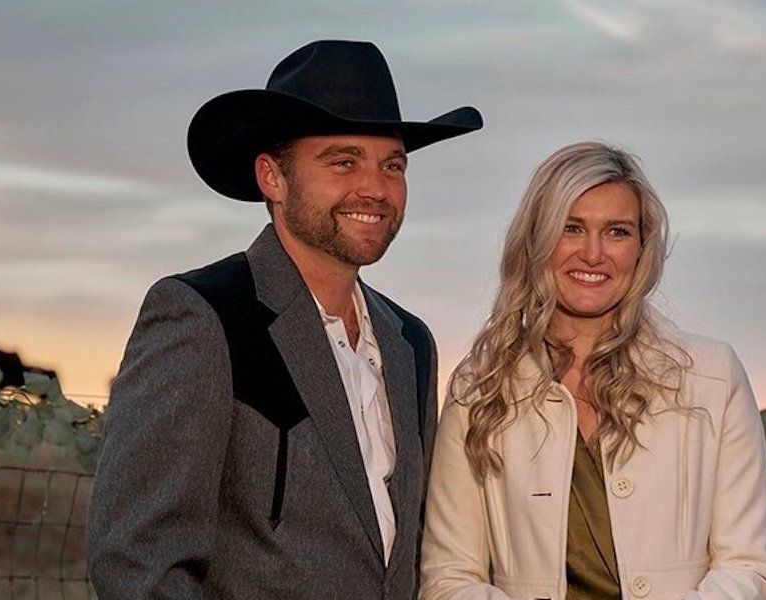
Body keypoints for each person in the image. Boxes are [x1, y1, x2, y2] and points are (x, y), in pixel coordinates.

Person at [87, 40, 482, 598]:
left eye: (392, 165)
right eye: (343, 161)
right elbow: (138, 562)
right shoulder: (203, 317)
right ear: (272, 178)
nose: (375, 187)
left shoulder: (410, 343)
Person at [420, 142, 766, 599]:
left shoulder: (712, 377)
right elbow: (448, 580)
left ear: (642, 248)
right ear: (537, 239)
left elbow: (749, 570)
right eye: (571, 228)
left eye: (617, 232)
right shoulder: (480, 387)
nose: (593, 254)